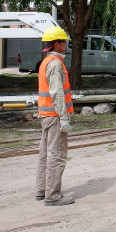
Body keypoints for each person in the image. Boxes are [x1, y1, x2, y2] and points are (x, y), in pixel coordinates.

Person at [35, 26, 75, 206]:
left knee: (45, 154)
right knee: (56, 155)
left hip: (46, 115)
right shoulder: (55, 64)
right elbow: (57, 93)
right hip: (55, 116)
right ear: (57, 44)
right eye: (64, 41)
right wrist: (64, 117)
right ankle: (53, 195)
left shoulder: (46, 61)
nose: (66, 44)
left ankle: (42, 190)